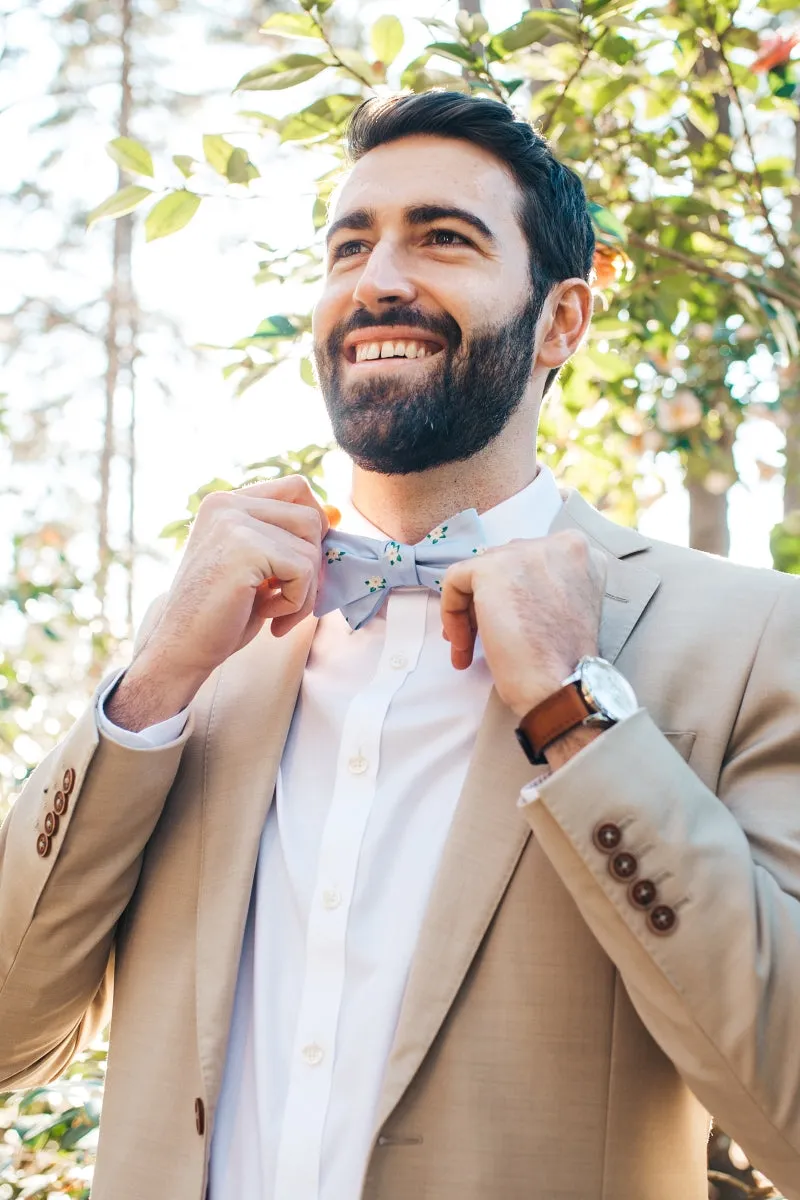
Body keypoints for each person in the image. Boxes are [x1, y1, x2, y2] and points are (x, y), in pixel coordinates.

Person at [1, 90, 799, 1200]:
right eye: (348, 245)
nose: (378, 279)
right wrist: (148, 690)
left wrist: (576, 713)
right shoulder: (205, 644)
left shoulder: (752, 636)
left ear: (561, 322)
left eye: (442, 238)